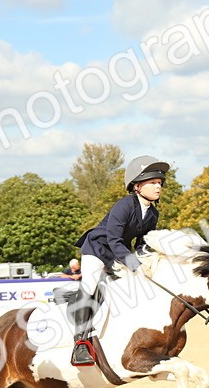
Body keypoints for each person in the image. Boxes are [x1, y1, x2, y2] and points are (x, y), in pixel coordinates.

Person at [69, 154, 166, 365]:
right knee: (91, 286)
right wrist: (133, 264)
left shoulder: (153, 215)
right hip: (97, 249)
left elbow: (141, 243)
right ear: (137, 186)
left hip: (117, 253)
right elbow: (113, 239)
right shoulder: (125, 205)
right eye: (152, 183)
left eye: (159, 183)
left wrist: (145, 263)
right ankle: (80, 343)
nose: (158, 187)